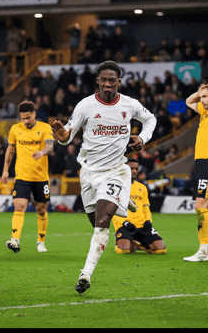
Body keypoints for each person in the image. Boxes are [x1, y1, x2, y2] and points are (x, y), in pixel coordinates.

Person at [53, 60, 157, 294]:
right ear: (97, 82)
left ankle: (86, 274)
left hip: (116, 171)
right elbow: (67, 134)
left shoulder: (130, 105)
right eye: (104, 80)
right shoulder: (85, 106)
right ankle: (125, 199)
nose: (108, 84)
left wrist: (144, 137)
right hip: (89, 173)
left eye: (112, 80)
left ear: (119, 82)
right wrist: (61, 137)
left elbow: (150, 119)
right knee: (94, 223)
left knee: (103, 222)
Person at [2, 101, 54, 253]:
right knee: (19, 205)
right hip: (22, 175)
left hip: (40, 176)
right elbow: (10, 149)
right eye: (23, 118)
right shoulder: (15, 129)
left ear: (34, 114)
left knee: (42, 209)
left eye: (28, 118)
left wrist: (42, 152)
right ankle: (15, 239)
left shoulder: (44, 127)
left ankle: (41, 241)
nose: (25, 121)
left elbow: (50, 144)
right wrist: (5, 170)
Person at [184, 83, 208, 262]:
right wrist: (201, 92)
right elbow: (187, 100)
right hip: (202, 162)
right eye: (201, 98)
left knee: (200, 206)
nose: (202, 100)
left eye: (206, 97)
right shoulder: (204, 111)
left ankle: (202, 250)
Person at [112, 158, 166, 254]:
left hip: (142, 225)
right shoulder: (116, 187)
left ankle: (137, 245)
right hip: (125, 225)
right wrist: (124, 222)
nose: (135, 171)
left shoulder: (142, 187)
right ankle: (129, 242)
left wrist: (148, 221)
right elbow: (113, 209)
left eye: (136, 169)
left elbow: (146, 208)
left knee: (161, 250)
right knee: (123, 250)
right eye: (131, 168)